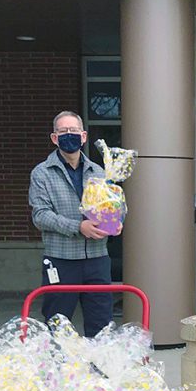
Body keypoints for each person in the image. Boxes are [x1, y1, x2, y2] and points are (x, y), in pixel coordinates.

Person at [28, 110, 121, 337]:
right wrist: (78, 227)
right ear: (54, 138)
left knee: (101, 325)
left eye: (74, 130)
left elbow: (110, 206)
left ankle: (98, 360)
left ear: (84, 136)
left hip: (97, 259)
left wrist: (116, 222)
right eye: (63, 131)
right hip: (61, 260)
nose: (69, 135)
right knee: (58, 324)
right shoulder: (42, 173)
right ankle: (59, 360)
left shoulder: (98, 172)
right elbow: (40, 215)